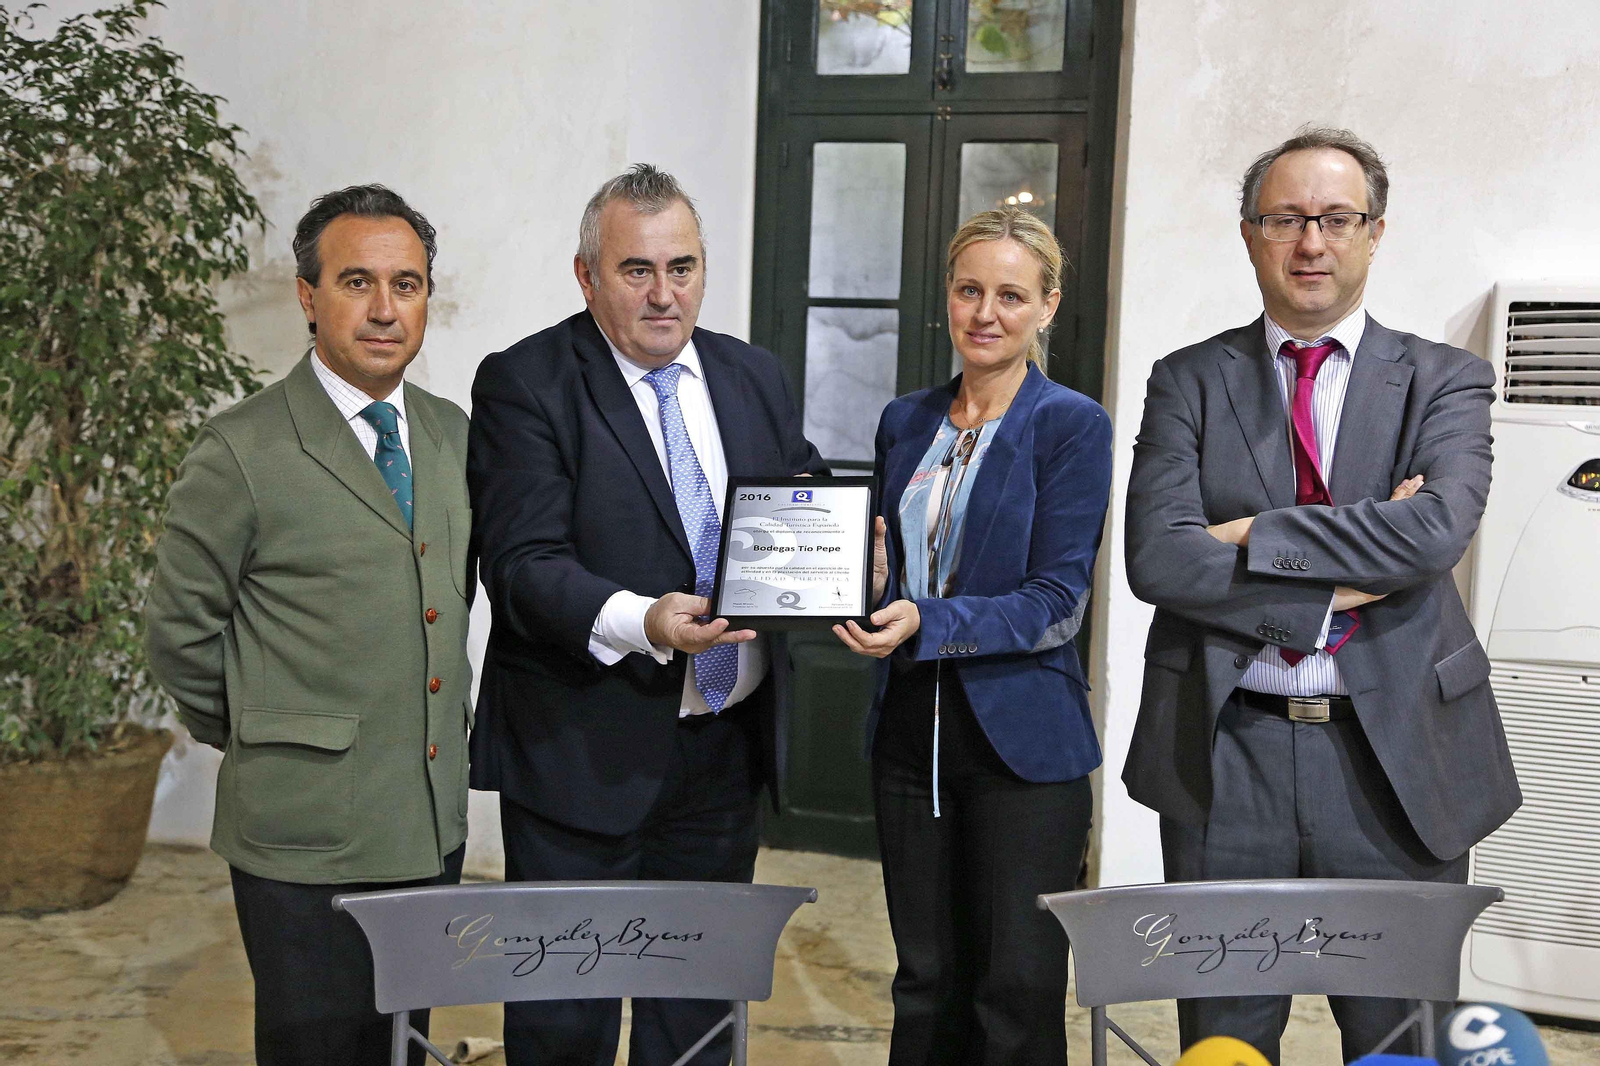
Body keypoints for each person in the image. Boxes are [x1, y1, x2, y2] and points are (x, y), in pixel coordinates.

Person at [1122, 126, 1521, 1064]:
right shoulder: (1187, 380)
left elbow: (1434, 533)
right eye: (1286, 219)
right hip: (1228, 753)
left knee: (1399, 1042)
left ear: (1375, 233)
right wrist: (1344, 572)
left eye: (1336, 219)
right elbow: (1158, 560)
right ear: (1251, 233)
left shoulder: (1445, 379)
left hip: (1398, 760)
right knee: (1222, 1040)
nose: (1312, 242)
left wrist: (1253, 531)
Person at [467, 164, 826, 1066]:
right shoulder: (527, 382)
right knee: (563, 1025)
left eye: (684, 267)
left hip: (723, 757)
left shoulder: (754, 375)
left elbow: (803, 487)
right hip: (581, 756)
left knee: (699, 1019)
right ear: (587, 276)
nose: (666, 295)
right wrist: (645, 620)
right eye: (637, 270)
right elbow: (522, 567)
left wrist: (856, 550)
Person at [145, 185, 472, 1065]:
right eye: (356, 281)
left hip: (427, 824)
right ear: (306, 295)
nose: (382, 309)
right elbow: (178, 631)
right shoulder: (241, 448)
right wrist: (266, 732)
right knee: (316, 1048)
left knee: (405, 1046)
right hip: (301, 835)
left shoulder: (451, 437)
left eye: (406, 285)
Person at [833, 207, 1113, 1064]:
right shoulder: (904, 421)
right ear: (947, 298)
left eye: (1010, 295)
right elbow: (898, 565)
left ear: (1047, 306)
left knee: (1018, 990)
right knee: (923, 979)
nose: (985, 313)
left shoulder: (1071, 424)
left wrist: (928, 621)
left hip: (1024, 749)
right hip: (911, 737)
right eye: (968, 290)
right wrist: (876, 587)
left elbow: (1056, 602)